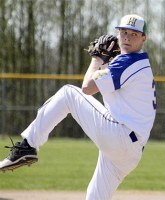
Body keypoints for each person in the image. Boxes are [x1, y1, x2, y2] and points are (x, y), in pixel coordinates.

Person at [0, 14, 156, 200]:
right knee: (95, 196)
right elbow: (107, 83)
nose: (127, 38)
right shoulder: (136, 63)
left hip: (120, 136)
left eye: (134, 34)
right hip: (131, 152)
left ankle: (28, 145)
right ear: (118, 33)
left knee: (69, 93)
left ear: (144, 38)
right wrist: (105, 62)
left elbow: (87, 88)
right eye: (123, 32)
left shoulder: (128, 62)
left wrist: (97, 59)